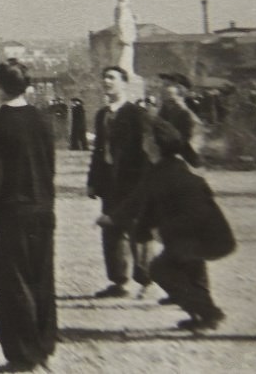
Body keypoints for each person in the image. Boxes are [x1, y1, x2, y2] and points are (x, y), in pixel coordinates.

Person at [100, 119, 235, 332]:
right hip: (203, 233)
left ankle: (209, 314)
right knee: (190, 271)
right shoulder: (174, 165)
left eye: (146, 138)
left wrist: (111, 218)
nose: (143, 142)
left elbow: (138, 200)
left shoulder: (161, 171)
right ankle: (201, 316)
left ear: (155, 144)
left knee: (161, 269)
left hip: (194, 234)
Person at [0, 61, 57, 372]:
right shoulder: (42, 119)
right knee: (42, 278)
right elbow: (49, 166)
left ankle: (23, 355)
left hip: (12, 212)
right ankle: (44, 347)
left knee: (14, 284)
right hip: (43, 208)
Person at [86, 66, 152, 299]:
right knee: (111, 230)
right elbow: (97, 151)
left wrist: (144, 183)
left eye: (112, 78)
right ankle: (118, 282)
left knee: (137, 230)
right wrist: (92, 181)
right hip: (109, 183)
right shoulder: (101, 114)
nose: (106, 81)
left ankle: (144, 280)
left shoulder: (136, 113)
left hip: (132, 183)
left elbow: (146, 151)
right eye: (104, 77)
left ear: (124, 83)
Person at [157, 73, 203, 168]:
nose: (162, 88)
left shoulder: (186, 113)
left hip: (184, 159)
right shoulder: (165, 108)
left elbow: (191, 142)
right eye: (163, 85)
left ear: (180, 89)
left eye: (167, 85)